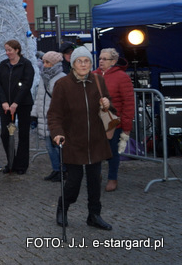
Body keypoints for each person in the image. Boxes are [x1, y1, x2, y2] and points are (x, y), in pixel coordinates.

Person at [49, 47, 114, 231]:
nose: (84, 64)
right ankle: (63, 207)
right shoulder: (62, 85)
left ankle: (94, 215)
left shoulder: (98, 80)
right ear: (73, 64)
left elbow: (108, 105)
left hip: (95, 140)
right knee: (74, 181)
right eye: (80, 61)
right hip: (73, 141)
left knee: (95, 181)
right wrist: (57, 133)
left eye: (87, 61)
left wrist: (108, 104)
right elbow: (54, 114)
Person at [93, 48, 135, 192]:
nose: (101, 61)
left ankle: (112, 178)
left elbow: (128, 102)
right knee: (94, 151)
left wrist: (126, 124)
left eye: (105, 59)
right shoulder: (93, 75)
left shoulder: (122, 77)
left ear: (114, 61)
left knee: (111, 152)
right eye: (100, 58)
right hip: (95, 121)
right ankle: (95, 176)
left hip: (113, 121)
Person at [0, 39, 35, 175]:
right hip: (6, 105)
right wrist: (4, 102)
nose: (7, 53)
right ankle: (11, 161)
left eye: (9, 50)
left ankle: (21, 165)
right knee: (5, 134)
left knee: (23, 134)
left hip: (23, 104)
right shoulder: (3, 65)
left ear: (17, 50)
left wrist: (16, 103)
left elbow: (26, 84)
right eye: (6, 50)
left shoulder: (26, 64)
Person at [31, 51, 67, 182]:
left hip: (55, 118)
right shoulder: (44, 77)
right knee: (48, 146)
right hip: (44, 116)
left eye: (47, 62)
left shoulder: (62, 78)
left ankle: (64, 170)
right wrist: (34, 114)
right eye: (44, 61)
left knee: (57, 146)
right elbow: (39, 97)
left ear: (54, 64)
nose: (44, 64)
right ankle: (56, 169)